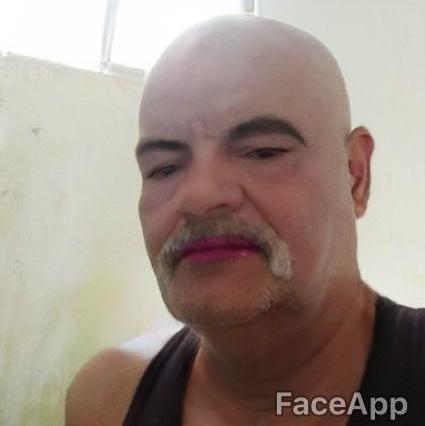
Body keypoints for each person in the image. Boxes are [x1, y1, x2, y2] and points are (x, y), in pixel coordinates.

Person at [65, 15, 425, 426]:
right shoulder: (108, 399)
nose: (200, 196)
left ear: (355, 175)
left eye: (263, 152)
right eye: (164, 168)